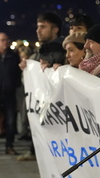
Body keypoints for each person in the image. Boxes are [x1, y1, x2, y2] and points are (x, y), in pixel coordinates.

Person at [18, 11, 66, 161]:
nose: (38, 30)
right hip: (42, 102)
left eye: (43, 27)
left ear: (55, 29)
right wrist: (27, 68)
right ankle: (36, 151)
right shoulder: (40, 51)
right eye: (38, 27)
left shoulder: (63, 49)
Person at [0, 32, 22, 155]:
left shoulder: (13, 56)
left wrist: (15, 84)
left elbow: (18, 73)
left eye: (6, 40)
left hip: (9, 94)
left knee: (10, 121)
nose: (5, 42)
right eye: (2, 40)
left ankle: (9, 146)